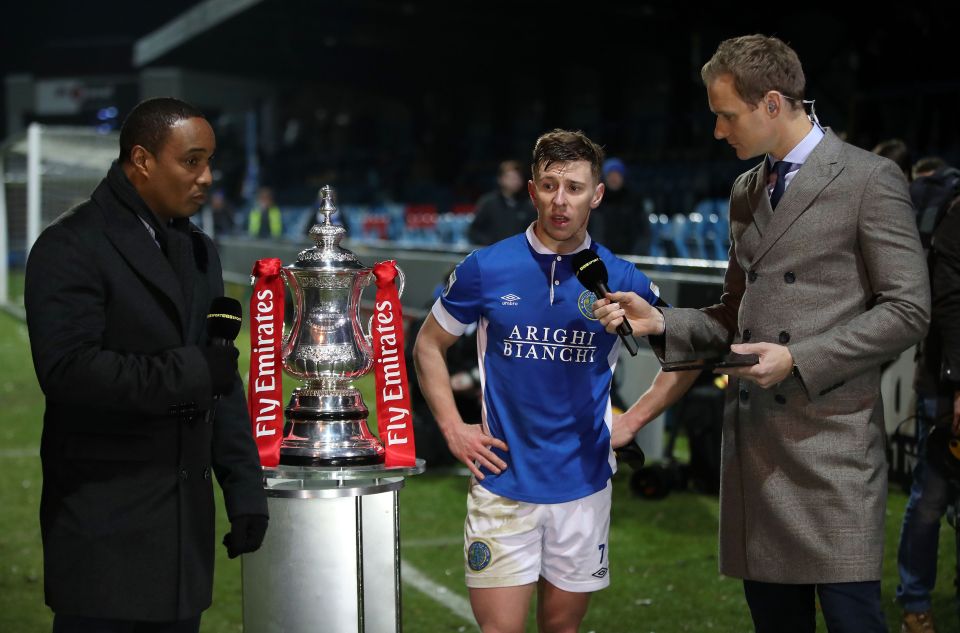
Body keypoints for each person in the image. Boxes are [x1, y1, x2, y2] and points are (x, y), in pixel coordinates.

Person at [593, 35, 930, 633]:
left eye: (727, 115)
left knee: (855, 621)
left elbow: (908, 309)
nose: (719, 132)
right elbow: (732, 314)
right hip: (756, 447)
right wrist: (662, 320)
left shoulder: (869, 179)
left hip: (832, 449)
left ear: (773, 103)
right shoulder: (746, 191)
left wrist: (800, 358)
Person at [24, 97, 269, 633]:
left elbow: (221, 375)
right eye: (191, 161)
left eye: (209, 163)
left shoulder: (200, 250)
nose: (206, 178)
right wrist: (191, 371)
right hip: (104, 534)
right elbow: (68, 371)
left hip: (184, 541)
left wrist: (245, 490)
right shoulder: (69, 246)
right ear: (142, 160)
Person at [413, 129, 666, 633]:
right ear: (531, 190)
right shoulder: (486, 267)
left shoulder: (623, 278)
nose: (560, 200)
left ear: (597, 194)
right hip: (503, 482)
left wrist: (633, 419)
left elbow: (685, 353)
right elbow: (428, 344)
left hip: (584, 484)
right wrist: (452, 427)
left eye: (574, 187)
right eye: (549, 185)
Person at [896, 160, 960, 633]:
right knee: (931, 496)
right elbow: (949, 305)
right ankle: (915, 602)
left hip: (945, 379)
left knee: (930, 497)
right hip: (946, 383)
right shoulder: (956, 214)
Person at [467, 159, 536, 245]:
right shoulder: (488, 203)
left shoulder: (528, 206)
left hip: (518, 254)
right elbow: (474, 231)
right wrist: (491, 245)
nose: (515, 181)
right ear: (500, 179)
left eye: (518, 177)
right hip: (493, 254)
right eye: (511, 177)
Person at [594, 157, 646, 256]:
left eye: (617, 175)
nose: (614, 178)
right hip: (601, 257)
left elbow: (644, 232)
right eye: (610, 175)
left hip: (630, 258)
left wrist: (636, 254)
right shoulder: (595, 201)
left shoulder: (635, 200)